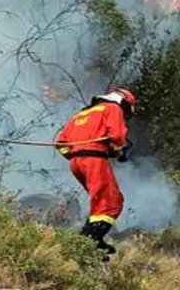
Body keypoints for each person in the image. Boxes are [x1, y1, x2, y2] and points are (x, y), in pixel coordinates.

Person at [54, 87, 136, 258]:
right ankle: (89, 241)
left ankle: (90, 239)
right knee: (112, 202)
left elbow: (60, 143)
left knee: (100, 201)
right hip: (95, 161)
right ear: (124, 103)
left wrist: (76, 156)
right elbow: (117, 137)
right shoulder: (113, 108)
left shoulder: (80, 115)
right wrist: (118, 151)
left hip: (76, 163)